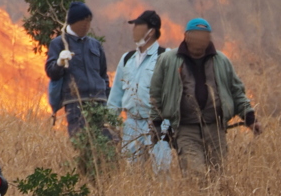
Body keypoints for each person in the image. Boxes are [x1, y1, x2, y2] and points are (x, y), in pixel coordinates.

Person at [149, 18, 261, 175]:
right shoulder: (168, 60)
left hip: (215, 127)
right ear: (187, 36)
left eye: (203, 36)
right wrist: (156, 122)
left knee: (218, 174)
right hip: (185, 128)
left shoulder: (221, 60)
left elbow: (236, 91)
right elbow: (156, 93)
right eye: (195, 35)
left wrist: (249, 117)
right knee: (195, 173)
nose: (199, 40)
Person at [45, 2, 111, 136]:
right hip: (75, 104)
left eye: (89, 21)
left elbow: (103, 74)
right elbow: (51, 72)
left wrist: (107, 97)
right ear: (73, 21)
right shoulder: (59, 43)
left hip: (99, 103)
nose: (86, 24)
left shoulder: (95, 45)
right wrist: (60, 62)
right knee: (80, 141)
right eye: (83, 20)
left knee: (106, 142)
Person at [108, 10, 165, 161]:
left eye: (138, 26)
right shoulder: (127, 59)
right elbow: (115, 96)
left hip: (158, 124)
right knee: (132, 172)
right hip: (131, 125)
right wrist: (110, 125)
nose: (134, 30)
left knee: (161, 171)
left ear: (151, 31)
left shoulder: (165, 57)